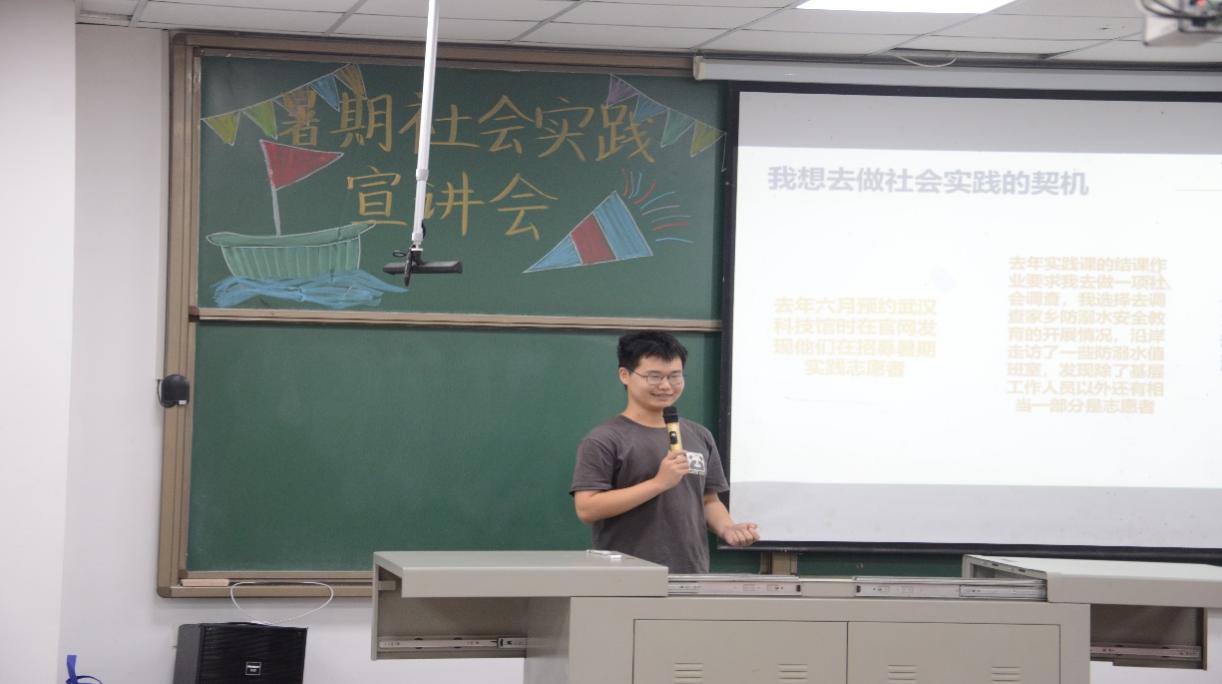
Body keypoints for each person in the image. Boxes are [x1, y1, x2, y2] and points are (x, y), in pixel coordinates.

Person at [570, 331, 759, 573]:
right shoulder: (604, 439)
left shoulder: (699, 435)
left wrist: (727, 528)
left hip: (691, 574)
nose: (666, 386)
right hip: (626, 578)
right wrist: (658, 483)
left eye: (675, 376)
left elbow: (708, 500)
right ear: (625, 375)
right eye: (654, 377)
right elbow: (587, 508)